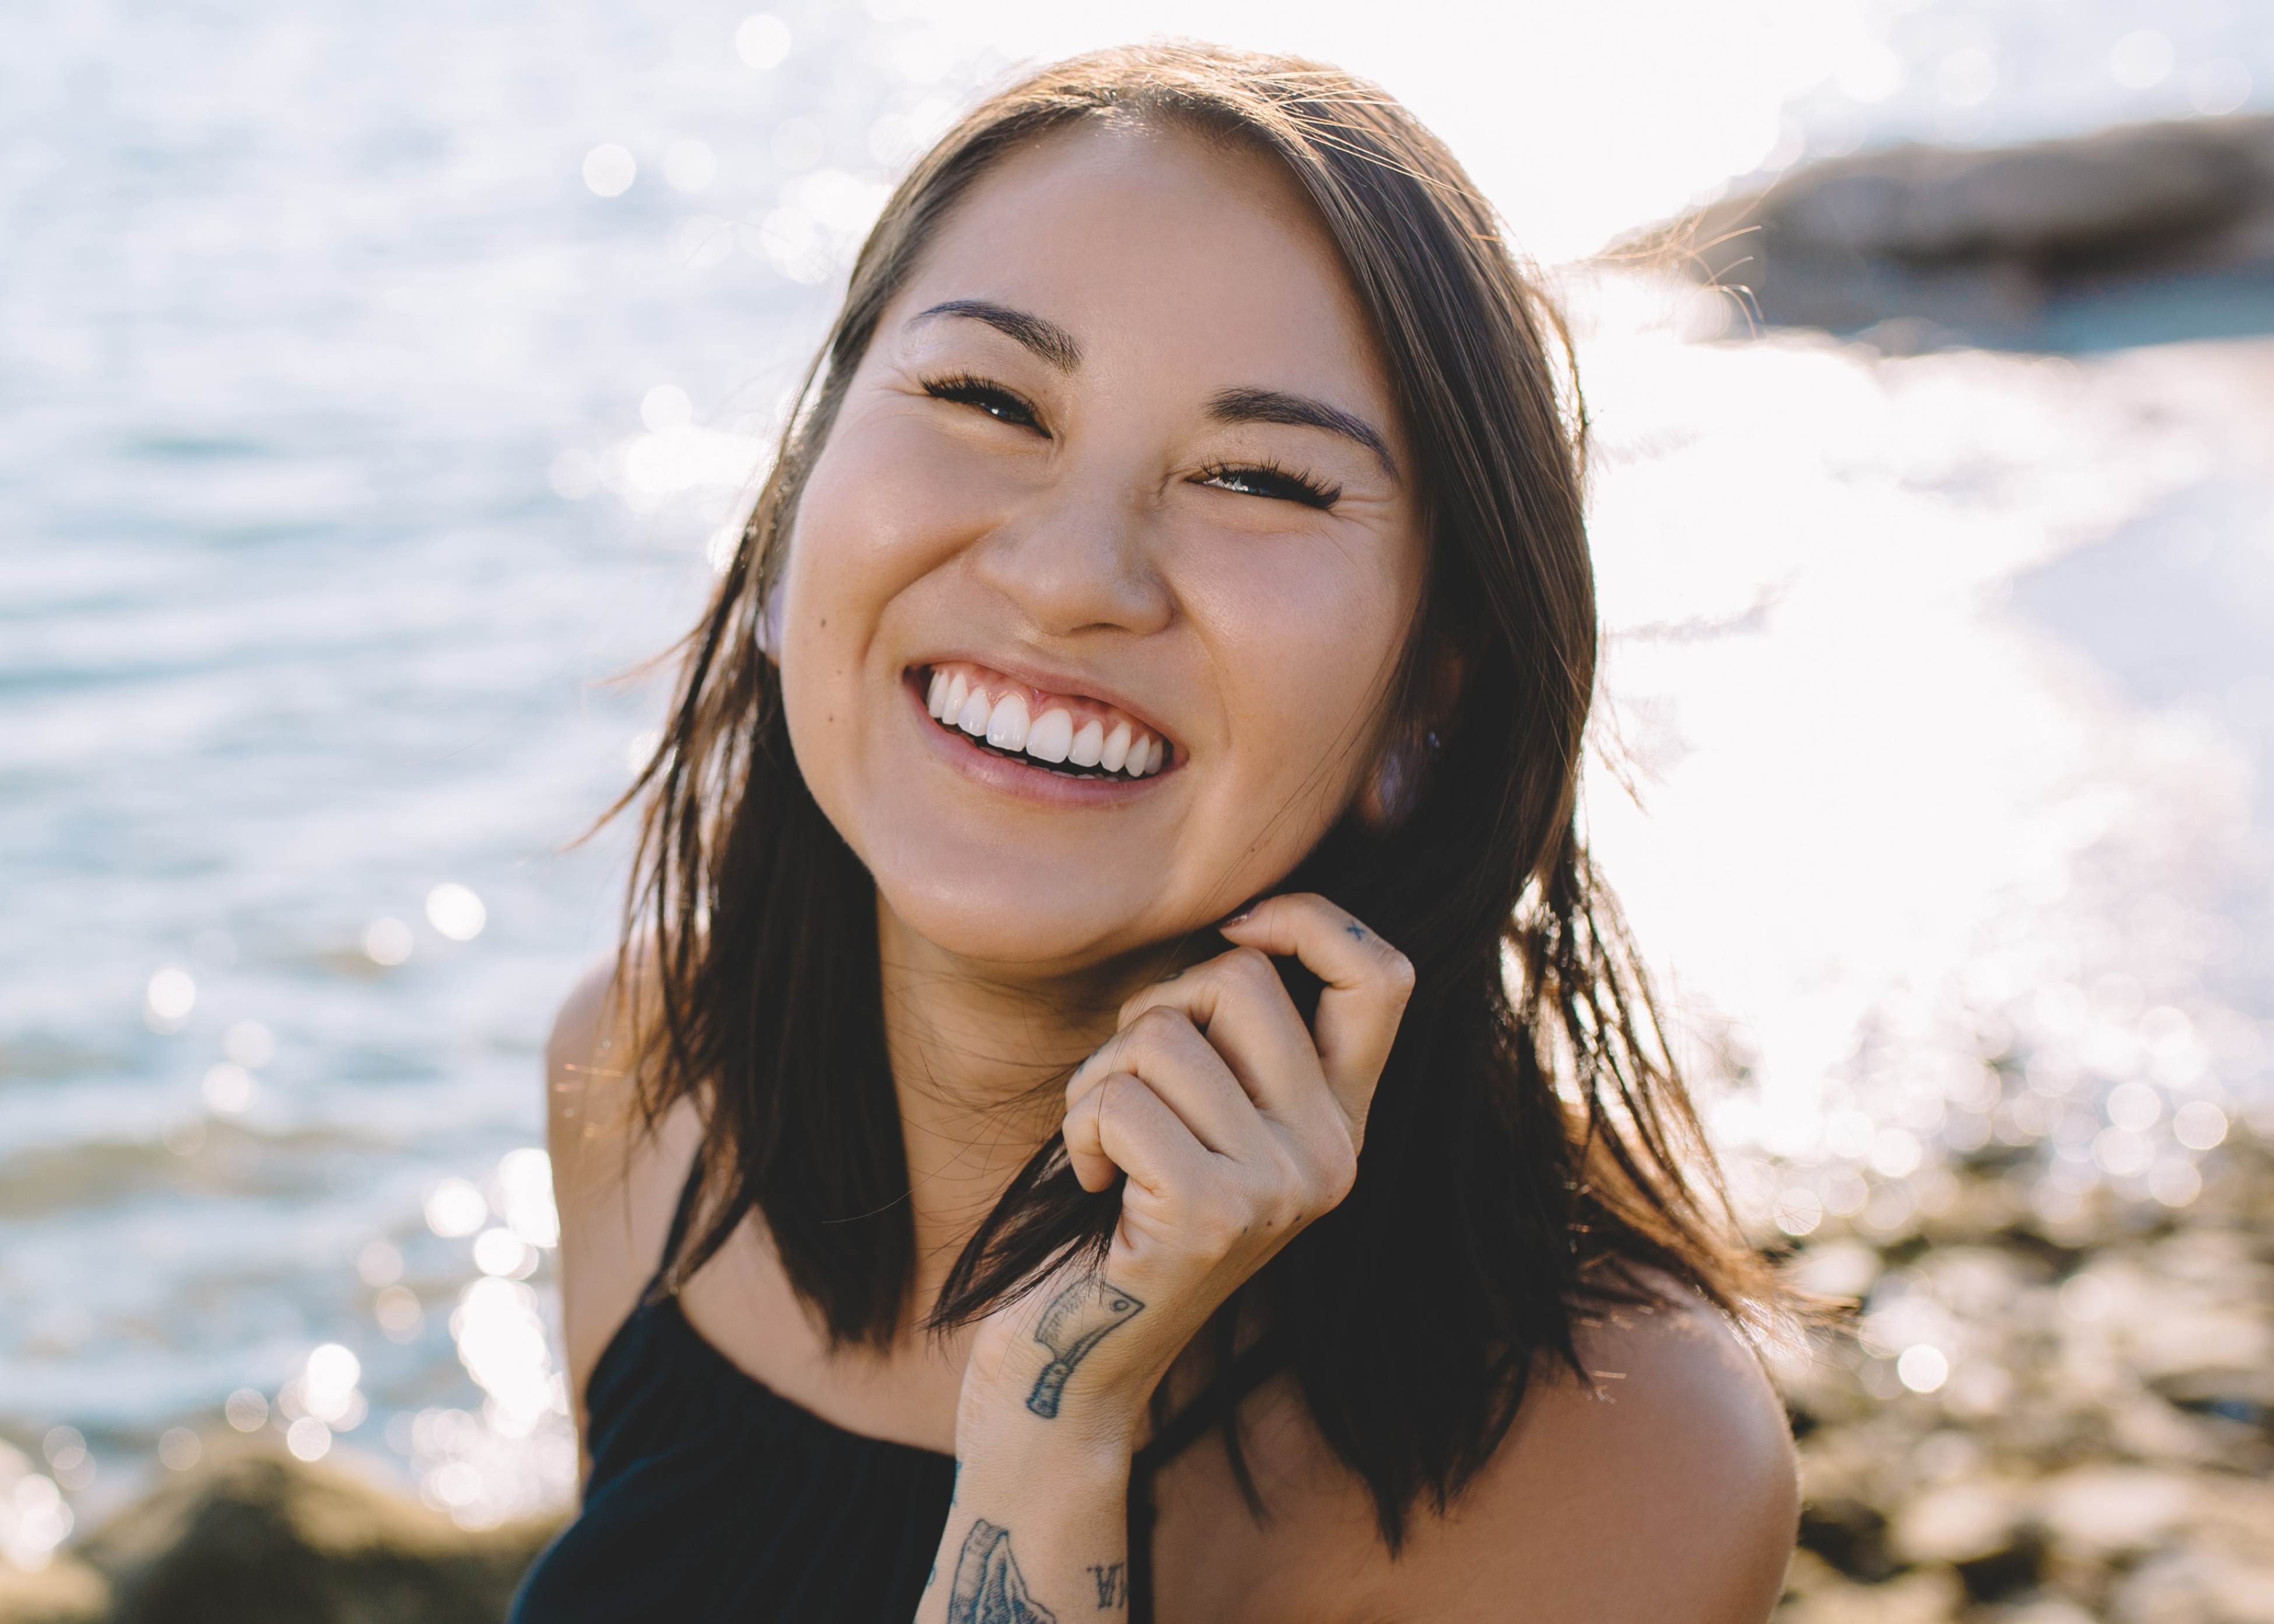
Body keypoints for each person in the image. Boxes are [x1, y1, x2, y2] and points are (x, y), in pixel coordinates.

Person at [514, 42, 1798, 1624]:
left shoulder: (1614, 1448)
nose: (1071, 574)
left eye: (1259, 477)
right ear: (785, 528)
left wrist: (1052, 1426)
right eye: (984, 397)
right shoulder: (646, 1078)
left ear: (1425, 703)